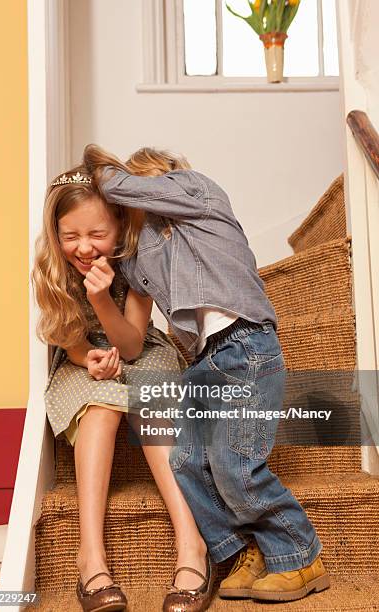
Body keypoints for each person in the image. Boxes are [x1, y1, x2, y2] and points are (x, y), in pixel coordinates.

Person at [79, 143, 331, 611]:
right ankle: (244, 551)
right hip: (201, 362)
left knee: (237, 467)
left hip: (246, 346)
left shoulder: (199, 192)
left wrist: (98, 165)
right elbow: (131, 325)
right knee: (187, 464)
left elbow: (120, 185)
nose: (145, 204)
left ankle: (301, 554)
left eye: (150, 189)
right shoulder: (141, 255)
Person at [32, 166, 211, 612]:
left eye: (97, 233)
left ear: (118, 226)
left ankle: (192, 546)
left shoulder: (136, 264)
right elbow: (67, 338)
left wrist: (99, 301)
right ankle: (90, 556)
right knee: (101, 406)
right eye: (70, 235)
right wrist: (84, 358)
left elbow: (131, 345)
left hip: (137, 346)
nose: (84, 247)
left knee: (148, 399)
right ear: (55, 234)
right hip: (82, 357)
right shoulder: (52, 269)